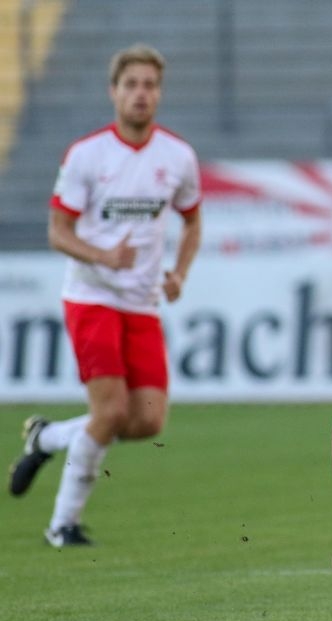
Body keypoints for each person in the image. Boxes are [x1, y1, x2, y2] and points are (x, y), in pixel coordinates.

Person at [7, 43, 202, 548]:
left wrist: (179, 272)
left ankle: (47, 438)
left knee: (146, 420)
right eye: (132, 84)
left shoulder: (177, 157)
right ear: (113, 92)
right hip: (91, 296)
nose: (141, 94)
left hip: (142, 303)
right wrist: (101, 256)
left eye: (150, 85)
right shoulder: (87, 155)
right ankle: (61, 524)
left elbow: (192, 219)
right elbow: (58, 231)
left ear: (159, 93)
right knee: (111, 411)